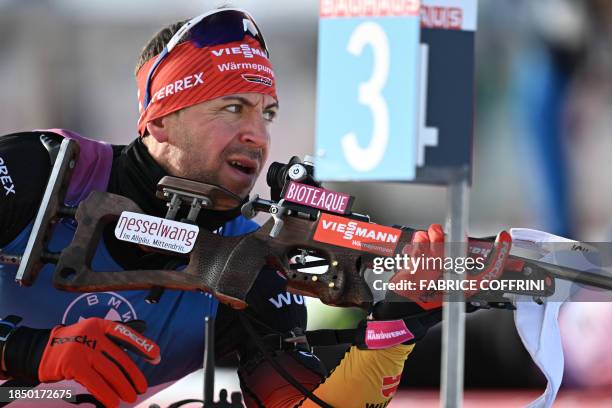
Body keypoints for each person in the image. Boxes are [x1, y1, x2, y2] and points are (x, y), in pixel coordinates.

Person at [0, 8, 444, 408]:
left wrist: (393, 331)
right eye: (233, 107)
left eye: (267, 113)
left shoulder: (251, 266)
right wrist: (26, 350)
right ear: (159, 119)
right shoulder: (36, 170)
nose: (258, 136)